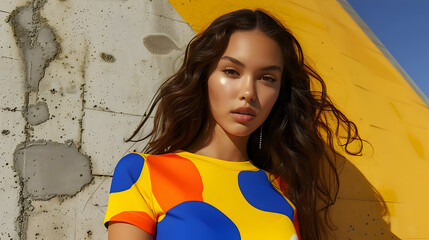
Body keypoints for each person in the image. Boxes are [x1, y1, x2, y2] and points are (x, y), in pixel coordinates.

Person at [104, 8, 364, 240]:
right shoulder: (143, 173)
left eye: (267, 78)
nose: (248, 92)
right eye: (231, 71)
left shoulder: (282, 189)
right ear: (204, 76)